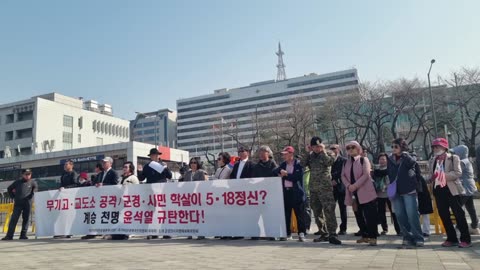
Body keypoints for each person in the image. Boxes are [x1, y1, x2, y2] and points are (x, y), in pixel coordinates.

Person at [429, 138, 471, 248]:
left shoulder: (453, 157)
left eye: (438, 146)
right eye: (434, 147)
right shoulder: (433, 160)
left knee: (459, 215)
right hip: (438, 191)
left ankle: (465, 239)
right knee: (444, 215)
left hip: (452, 190)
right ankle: (451, 238)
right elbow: (431, 175)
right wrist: (430, 178)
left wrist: (443, 175)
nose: (435, 149)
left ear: (444, 147)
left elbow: (458, 173)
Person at [302, 137, 341, 245]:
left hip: (325, 188)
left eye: (318, 146)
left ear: (322, 146)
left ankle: (333, 234)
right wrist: (307, 152)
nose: (316, 149)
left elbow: (329, 163)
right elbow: (302, 164)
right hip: (313, 188)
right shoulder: (310, 156)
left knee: (329, 211)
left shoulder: (328, 153)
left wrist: (323, 151)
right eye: (314, 147)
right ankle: (323, 233)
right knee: (317, 211)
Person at [387, 138, 424, 248]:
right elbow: (389, 173)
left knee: (412, 215)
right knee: (399, 215)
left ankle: (418, 238)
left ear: (402, 147)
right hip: (396, 191)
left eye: (396, 147)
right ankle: (407, 237)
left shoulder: (409, 156)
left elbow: (414, 166)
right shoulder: (390, 158)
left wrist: (405, 155)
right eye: (392, 146)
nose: (393, 149)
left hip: (409, 190)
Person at [342, 141, 378, 246]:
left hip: (365, 192)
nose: (350, 149)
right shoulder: (346, 162)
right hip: (353, 193)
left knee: (370, 215)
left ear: (358, 149)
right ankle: (365, 235)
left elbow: (366, 174)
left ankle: (373, 237)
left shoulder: (364, 159)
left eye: (353, 147)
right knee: (358, 214)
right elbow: (342, 176)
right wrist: (348, 186)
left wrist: (355, 185)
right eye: (348, 148)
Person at [82, 157, 119, 240]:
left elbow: (115, 185)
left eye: (105, 162)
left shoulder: (114, 173)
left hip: (109, 199)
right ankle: (92, 232)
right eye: (103, 162)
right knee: (96, 215)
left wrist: (104, 185)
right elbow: (95, 183)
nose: (103, 164)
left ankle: (109, 233)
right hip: (100, 198)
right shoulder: (101, 174)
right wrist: (96, 184)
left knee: (107, 216)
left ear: (110, 163)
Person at [275, 146, 306, 242]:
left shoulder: (298, 164)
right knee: (286, 214)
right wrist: (280, 171)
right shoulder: (283, 164)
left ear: (291, 154)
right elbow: (275, 170)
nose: (283, 156)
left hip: (296, 193)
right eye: (283, 154)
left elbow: (296, 177)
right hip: (286, 192)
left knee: (299, 214)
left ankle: (301, 233)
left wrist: (286, 175)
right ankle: (287, 233)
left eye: (285, 154)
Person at [106, 162, 139, 241]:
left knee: (126, 218)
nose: (124, 168)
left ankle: (126, 233)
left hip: (129, 201)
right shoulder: (121, 178)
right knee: (120, 218)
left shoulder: (133, 178)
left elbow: (137, 190)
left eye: (126, 167)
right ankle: (118, 234)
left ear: (130, 168)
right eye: (123, 167)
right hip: (120, 202)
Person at [2, 169, 38, 241]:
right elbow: (9, 188)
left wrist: (32, 194)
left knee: (26, 219)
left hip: (28, 203)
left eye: (29, 174)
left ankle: (23, 235)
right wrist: (13, 196)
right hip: (18, 203)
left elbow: (35, 189)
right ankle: (9, 236)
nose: (28, 176)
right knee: (14, 219)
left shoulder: (33, 182)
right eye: (26, 174)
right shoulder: (17, 182)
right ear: (22, 175)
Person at [452, 145, 479, 235]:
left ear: (460, 153)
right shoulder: (467, 160)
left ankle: (459, 227)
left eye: (455, 153)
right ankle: (474, 226)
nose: (454, 154)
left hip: (464, 188)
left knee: (458, 208)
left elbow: (456, 172)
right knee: (470, 208)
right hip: (469, 187)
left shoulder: (462, 162)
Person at [373, 153, 400, 236]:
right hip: (380, 193)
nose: (382, 161)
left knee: (394, 212)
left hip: (390, 193)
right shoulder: (376, 170)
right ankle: (384, 229)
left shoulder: (390, 168)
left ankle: (398, 229)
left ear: (387, 160)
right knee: (381, 212)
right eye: (380, 159)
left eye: (384, 159)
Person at [411, 151, 434, 238]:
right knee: (417, 214)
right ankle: (420, 230)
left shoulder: (418, 173)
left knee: (424, 213)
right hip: (416, 194)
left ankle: (425, 230)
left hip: (422, 194)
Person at [55, 159, 79, 239]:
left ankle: (70, 232)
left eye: (66, 164)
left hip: (71, 197)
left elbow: (75, 184)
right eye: (64, 165)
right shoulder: (63, 174)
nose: (65, 166)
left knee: (70, 215)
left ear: (71, 165)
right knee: (62, 215)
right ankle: (62, 231)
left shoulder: (74, 174)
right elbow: (61, 184)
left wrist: (65, 188)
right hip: (63, 198)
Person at [330, 144, 347, 235]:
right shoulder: (328, 160)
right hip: (330, 188)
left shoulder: (344, 160)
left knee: (342, 209)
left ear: (339, 149)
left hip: (341, 188)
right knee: (330, 209)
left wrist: (337, 180)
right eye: (331, 149)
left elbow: (345, 173)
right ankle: (332, 228)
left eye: (334, 148)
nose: (332, 150)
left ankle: (343, 228)